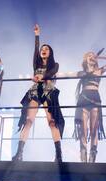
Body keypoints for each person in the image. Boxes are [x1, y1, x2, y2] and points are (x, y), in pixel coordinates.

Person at [12, 24, 64, 162]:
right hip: (35, 91)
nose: (43, 50)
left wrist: (42, 77)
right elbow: (35, 49)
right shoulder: (36, 63)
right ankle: (19, 153)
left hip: (48, 92)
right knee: (28, 121)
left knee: (52, 122)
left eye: (46, 49)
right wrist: (37, 35)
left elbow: (51, 73)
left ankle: (58, 155)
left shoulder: (55, 65)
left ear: (50, 52)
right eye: (42, 48)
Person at [74, 50, 106, 162]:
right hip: (83, 100)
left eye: (93, 56)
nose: (92, 57)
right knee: (83, 129)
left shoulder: (99, 71)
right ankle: (83, 156)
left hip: (95, 100)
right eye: (89, 55)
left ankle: (92, 157)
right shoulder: (81, 73)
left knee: (94, 129)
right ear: (85, 59)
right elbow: (66, 74)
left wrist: (100, 56)